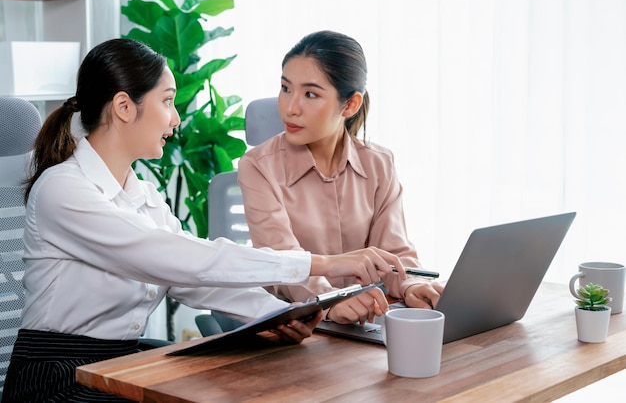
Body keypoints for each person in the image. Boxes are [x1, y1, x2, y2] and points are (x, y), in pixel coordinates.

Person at [2, 38, 404, 403]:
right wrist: (324, 263)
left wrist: (277, 316)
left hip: (117, 364)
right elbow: (182, 258)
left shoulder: (143, 196)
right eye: (167, 101)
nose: (175, 119)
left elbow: (195, 280)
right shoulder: (63, 190)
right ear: (125, 107)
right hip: (55, 380)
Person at [238, 30, 443, 326]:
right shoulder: (258, 166)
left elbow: (395, 252)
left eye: (310, 94)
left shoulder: (379, 163)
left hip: (365, 322)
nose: (290, 107)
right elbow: (284, 261)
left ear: (350, 105)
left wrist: (411, 284)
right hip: (294, 327)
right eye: (285, 88)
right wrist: (333, 301)